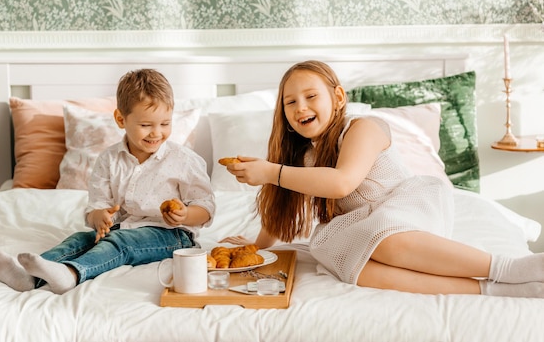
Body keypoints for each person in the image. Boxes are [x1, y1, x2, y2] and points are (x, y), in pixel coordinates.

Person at [221, 60, 544, 298]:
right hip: (363, 224)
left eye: (310, 96)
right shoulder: (303, 159)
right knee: (353, 268)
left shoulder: (363, 127)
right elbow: (283, 212)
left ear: (337, 97)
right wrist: (255, 247)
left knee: (384, 235)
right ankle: (491, 291)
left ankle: (509, 268)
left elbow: (342, 182)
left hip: (404, 205)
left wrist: (271, 173)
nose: (300, 107)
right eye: (290, 102)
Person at [0, 69, 215, 294]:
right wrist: (98, 217)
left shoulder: (184, 160)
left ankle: (72, 274)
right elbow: (97, 205)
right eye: (146, 125)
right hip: (122, 227)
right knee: (80, 239)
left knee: (122, 242)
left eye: (165, 124)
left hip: (172, 235)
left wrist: (185, 214)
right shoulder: (109, 159)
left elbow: (206, 207)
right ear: (120, 119)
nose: (156, 133)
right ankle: (29, 277)